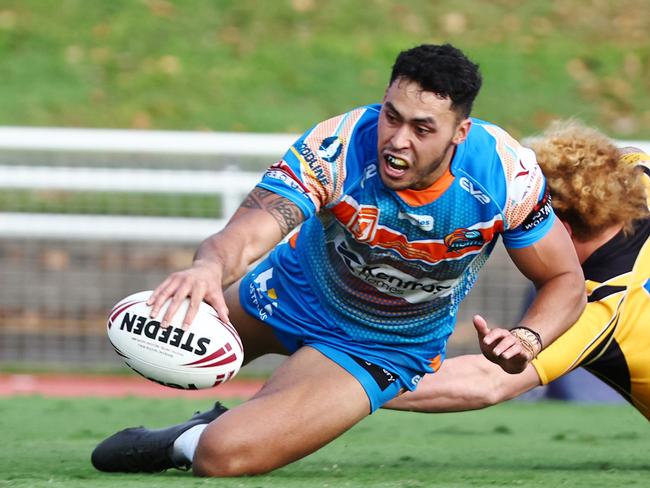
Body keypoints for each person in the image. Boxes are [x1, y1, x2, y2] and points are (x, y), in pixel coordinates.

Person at [91, 43, 586, 477]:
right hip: (290, 290)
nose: (397, 140)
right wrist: (208, 267)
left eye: (422, 128)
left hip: (382, 344)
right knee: (155, 338)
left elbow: (565, 279)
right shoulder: (340, 143)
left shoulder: (505, 176)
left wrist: (528, 337)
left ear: (460, 132)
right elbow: (247, 232)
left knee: (223, 456)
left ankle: (189, 437)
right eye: (392, 115)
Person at [384, 120, 650, 420]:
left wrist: (356, 380)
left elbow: (486, 381)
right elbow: (625, 156)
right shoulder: (640, 179)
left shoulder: (597, 306)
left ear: (561, 227)